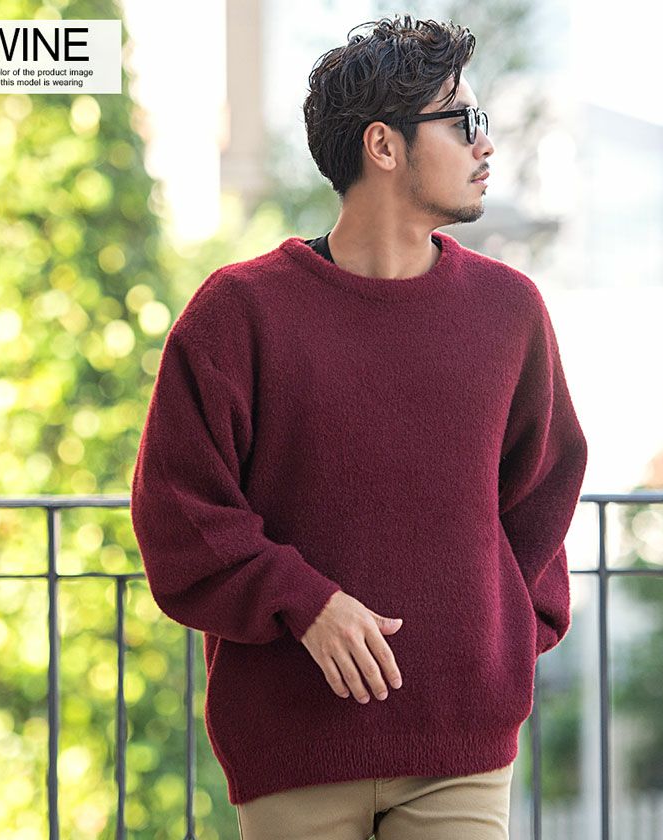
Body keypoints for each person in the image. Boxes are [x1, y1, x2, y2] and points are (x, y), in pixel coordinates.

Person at [130, 13, 588, 840]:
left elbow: (542, 495)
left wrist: (503, 637)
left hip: (461, 746)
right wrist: (305, 604)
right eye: (463, 121)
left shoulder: (509, 311)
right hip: (293, 745)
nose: (486, 144)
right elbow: (180, 518)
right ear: (383, 145)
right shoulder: (239, 313)